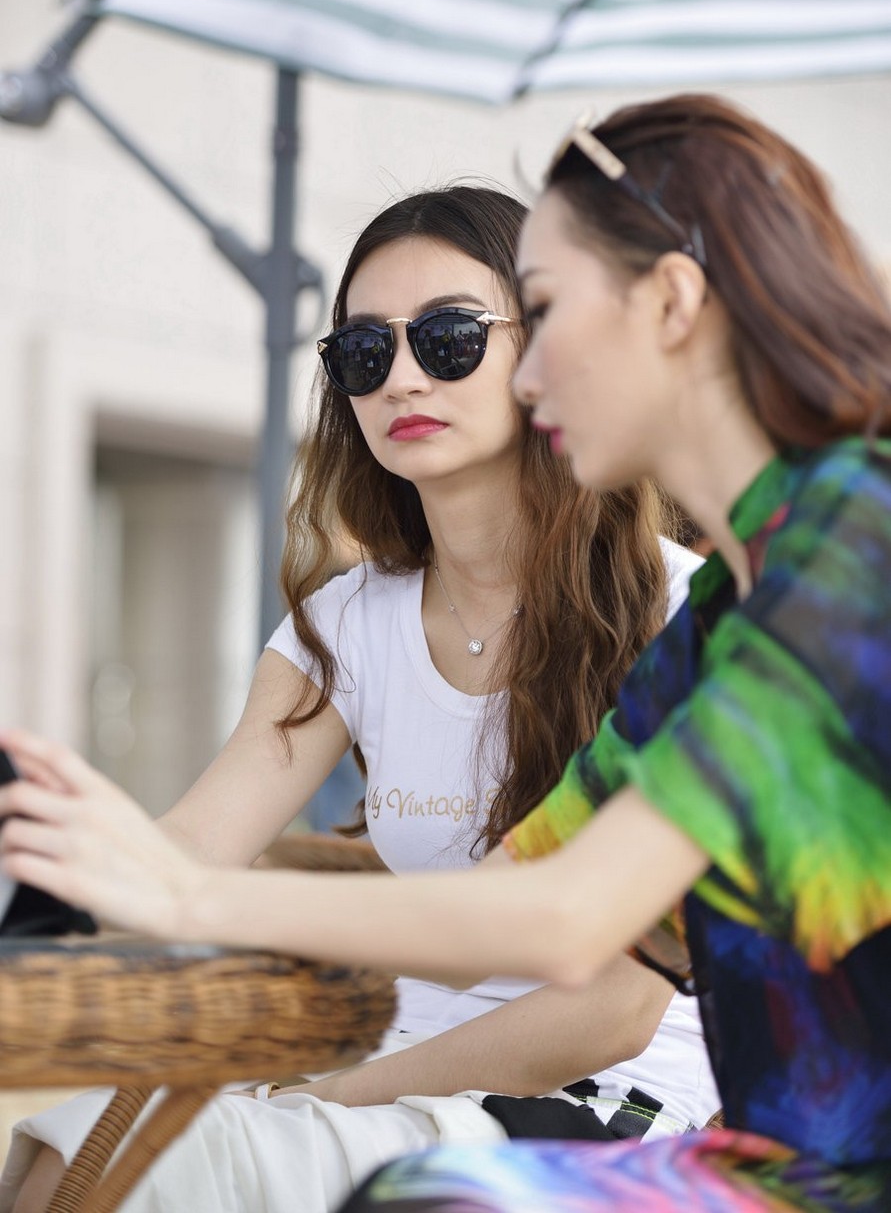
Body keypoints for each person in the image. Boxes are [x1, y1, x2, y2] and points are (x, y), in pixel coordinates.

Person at [0, 183, 712, 1213]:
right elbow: (187, 855)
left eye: (450, 337)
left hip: (605, 1108)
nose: (404, 376)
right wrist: (54, 850)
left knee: (192, 1167)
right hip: (369, 1068)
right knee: (61, 1156)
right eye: (365, 353)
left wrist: (331, 1092)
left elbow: (607, 1010)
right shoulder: (347, 628)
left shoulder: (682, 616)